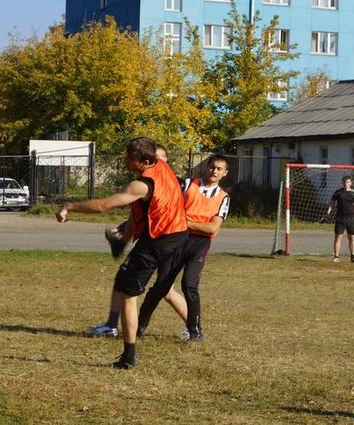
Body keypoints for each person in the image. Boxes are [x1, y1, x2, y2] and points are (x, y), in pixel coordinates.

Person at [56, 137, 187, 369]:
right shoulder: (163, 167)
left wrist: (69, 206)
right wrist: (125, 239)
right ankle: (194, 328)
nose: (125, 160)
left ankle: (128, 356)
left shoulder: (142, 185)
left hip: (158, 242)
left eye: (130, 157)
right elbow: (139, 213)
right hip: (179, 237)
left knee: (128, 294)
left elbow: (103, 206)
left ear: (145, 161)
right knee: (159, 288)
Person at [87, 145, 188, 338]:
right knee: (124, 278)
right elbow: (138, 215)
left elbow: (167, 214)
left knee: (163, 290)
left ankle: (193, 329)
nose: (157, 161)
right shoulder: (149, 179)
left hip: (166, 241)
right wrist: (123, 235)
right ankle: (111, 324)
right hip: (160, 240)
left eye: (160, 157)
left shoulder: (170, 182)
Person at [137, 154, 230, 342]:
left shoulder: (223, 198)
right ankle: (138, 327)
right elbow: (167, 204)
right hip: (177, 239)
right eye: (212, 167)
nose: (214, 171)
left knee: (190, 285)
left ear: (225, 173)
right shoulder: (188, 184)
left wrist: (184, 221)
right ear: (207, 167)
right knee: (161, 286)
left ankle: (195, 332)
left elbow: (212, 228)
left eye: (219, 169)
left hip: (199, 245)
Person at [326, 175, 354, 263]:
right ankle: (336, 257)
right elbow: (332, 203)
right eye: (344, 182)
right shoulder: (337, 192)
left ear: (350, 183)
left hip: (351, 219)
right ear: (342, 183)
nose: (346, 184)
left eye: (348, 182)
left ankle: (353, 257)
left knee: (352, 238)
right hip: (340, 218)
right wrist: (328, 212)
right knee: (338, 237)